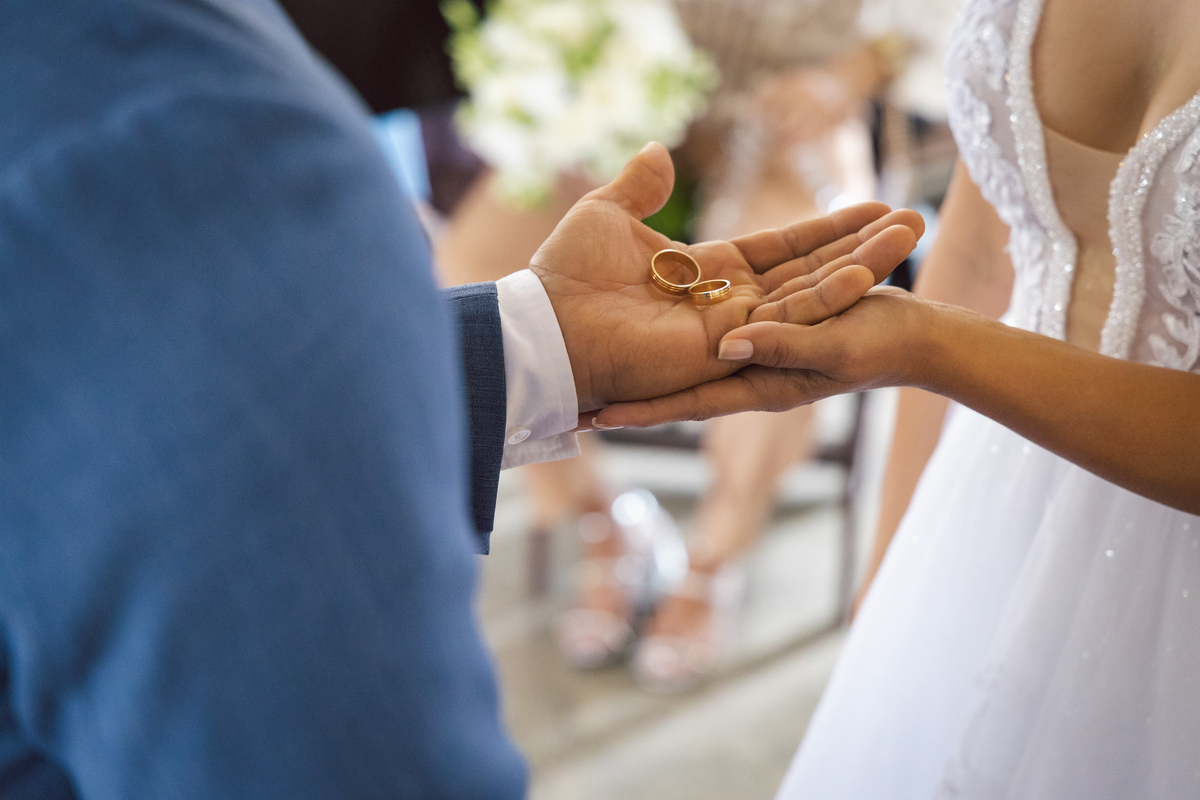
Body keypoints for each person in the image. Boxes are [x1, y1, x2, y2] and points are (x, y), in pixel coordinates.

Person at [0, 0, 922, 796]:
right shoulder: (183, 133)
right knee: (488, 240)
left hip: (788, 115)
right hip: (639, 100)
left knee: (781, 311)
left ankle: (717, 555)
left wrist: (541, 344)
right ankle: (602, 524)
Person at [597, 0, 1200, 795]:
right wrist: (888, 566)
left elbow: (939, 336)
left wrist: (925, 345)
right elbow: (983, 253)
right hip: (982, 494)